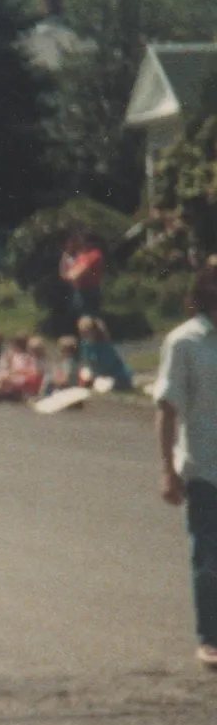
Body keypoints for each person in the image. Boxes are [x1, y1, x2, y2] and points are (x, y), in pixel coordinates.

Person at [154, 263, 217, 670]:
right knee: (209, 556)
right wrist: (167, 469)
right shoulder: (185, 341)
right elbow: (167, 407)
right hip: (204, 466)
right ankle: (210, 637)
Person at [76, 316, 133, 392]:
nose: (84, 335)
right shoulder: (85, 345)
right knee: (83, 373)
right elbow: (87, 362)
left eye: (87, 332)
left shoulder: (105, 345)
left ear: (94, 331)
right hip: (97, 374)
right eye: (82, 332)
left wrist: (93, 375)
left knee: (102, 386)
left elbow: (106, 366)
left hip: (115, 375)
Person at [61, 232, 105, 319]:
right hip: (81, 290)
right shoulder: (82, 256)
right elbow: (66, 274)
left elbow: (74, 275)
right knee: (93, 318)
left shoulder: (93, 255)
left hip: (86, 292)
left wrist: (69, 274)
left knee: (85, 320)